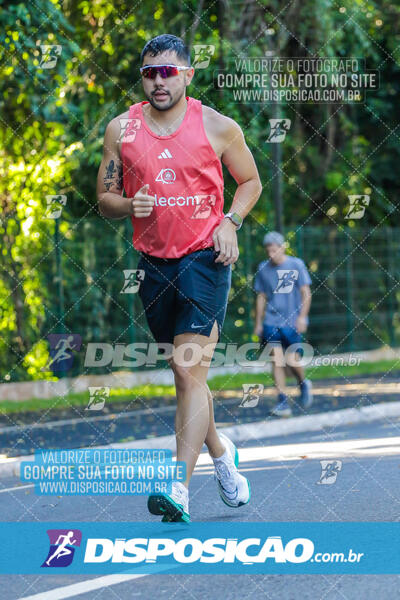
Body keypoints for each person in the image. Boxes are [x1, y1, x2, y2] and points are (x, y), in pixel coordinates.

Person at [97, 34, 262, 521]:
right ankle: (223, 459)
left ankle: (178, 488)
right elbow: (104, 199)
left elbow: (250, 181)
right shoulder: (121, 130)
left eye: (168, 72)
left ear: (188, 74)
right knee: (185, 375)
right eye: (150, 72)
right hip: (153, 265)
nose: (158, 81)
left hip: (204, 260)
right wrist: (129, 204)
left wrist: (229, 222)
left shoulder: (217, 126)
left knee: (189, 371)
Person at [253, 231, 313, 417]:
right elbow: (261, 297)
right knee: (277, 359)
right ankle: (282, 401)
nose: (271, 254)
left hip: (292, 320)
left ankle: (303, 382)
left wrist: (302, 317)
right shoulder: (263, 268)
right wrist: (258, 323)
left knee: (291, 359)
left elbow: (305, 292)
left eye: (274, 250)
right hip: (271, 321)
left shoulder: (296, 265)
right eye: (268, 251)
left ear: (282, 247)